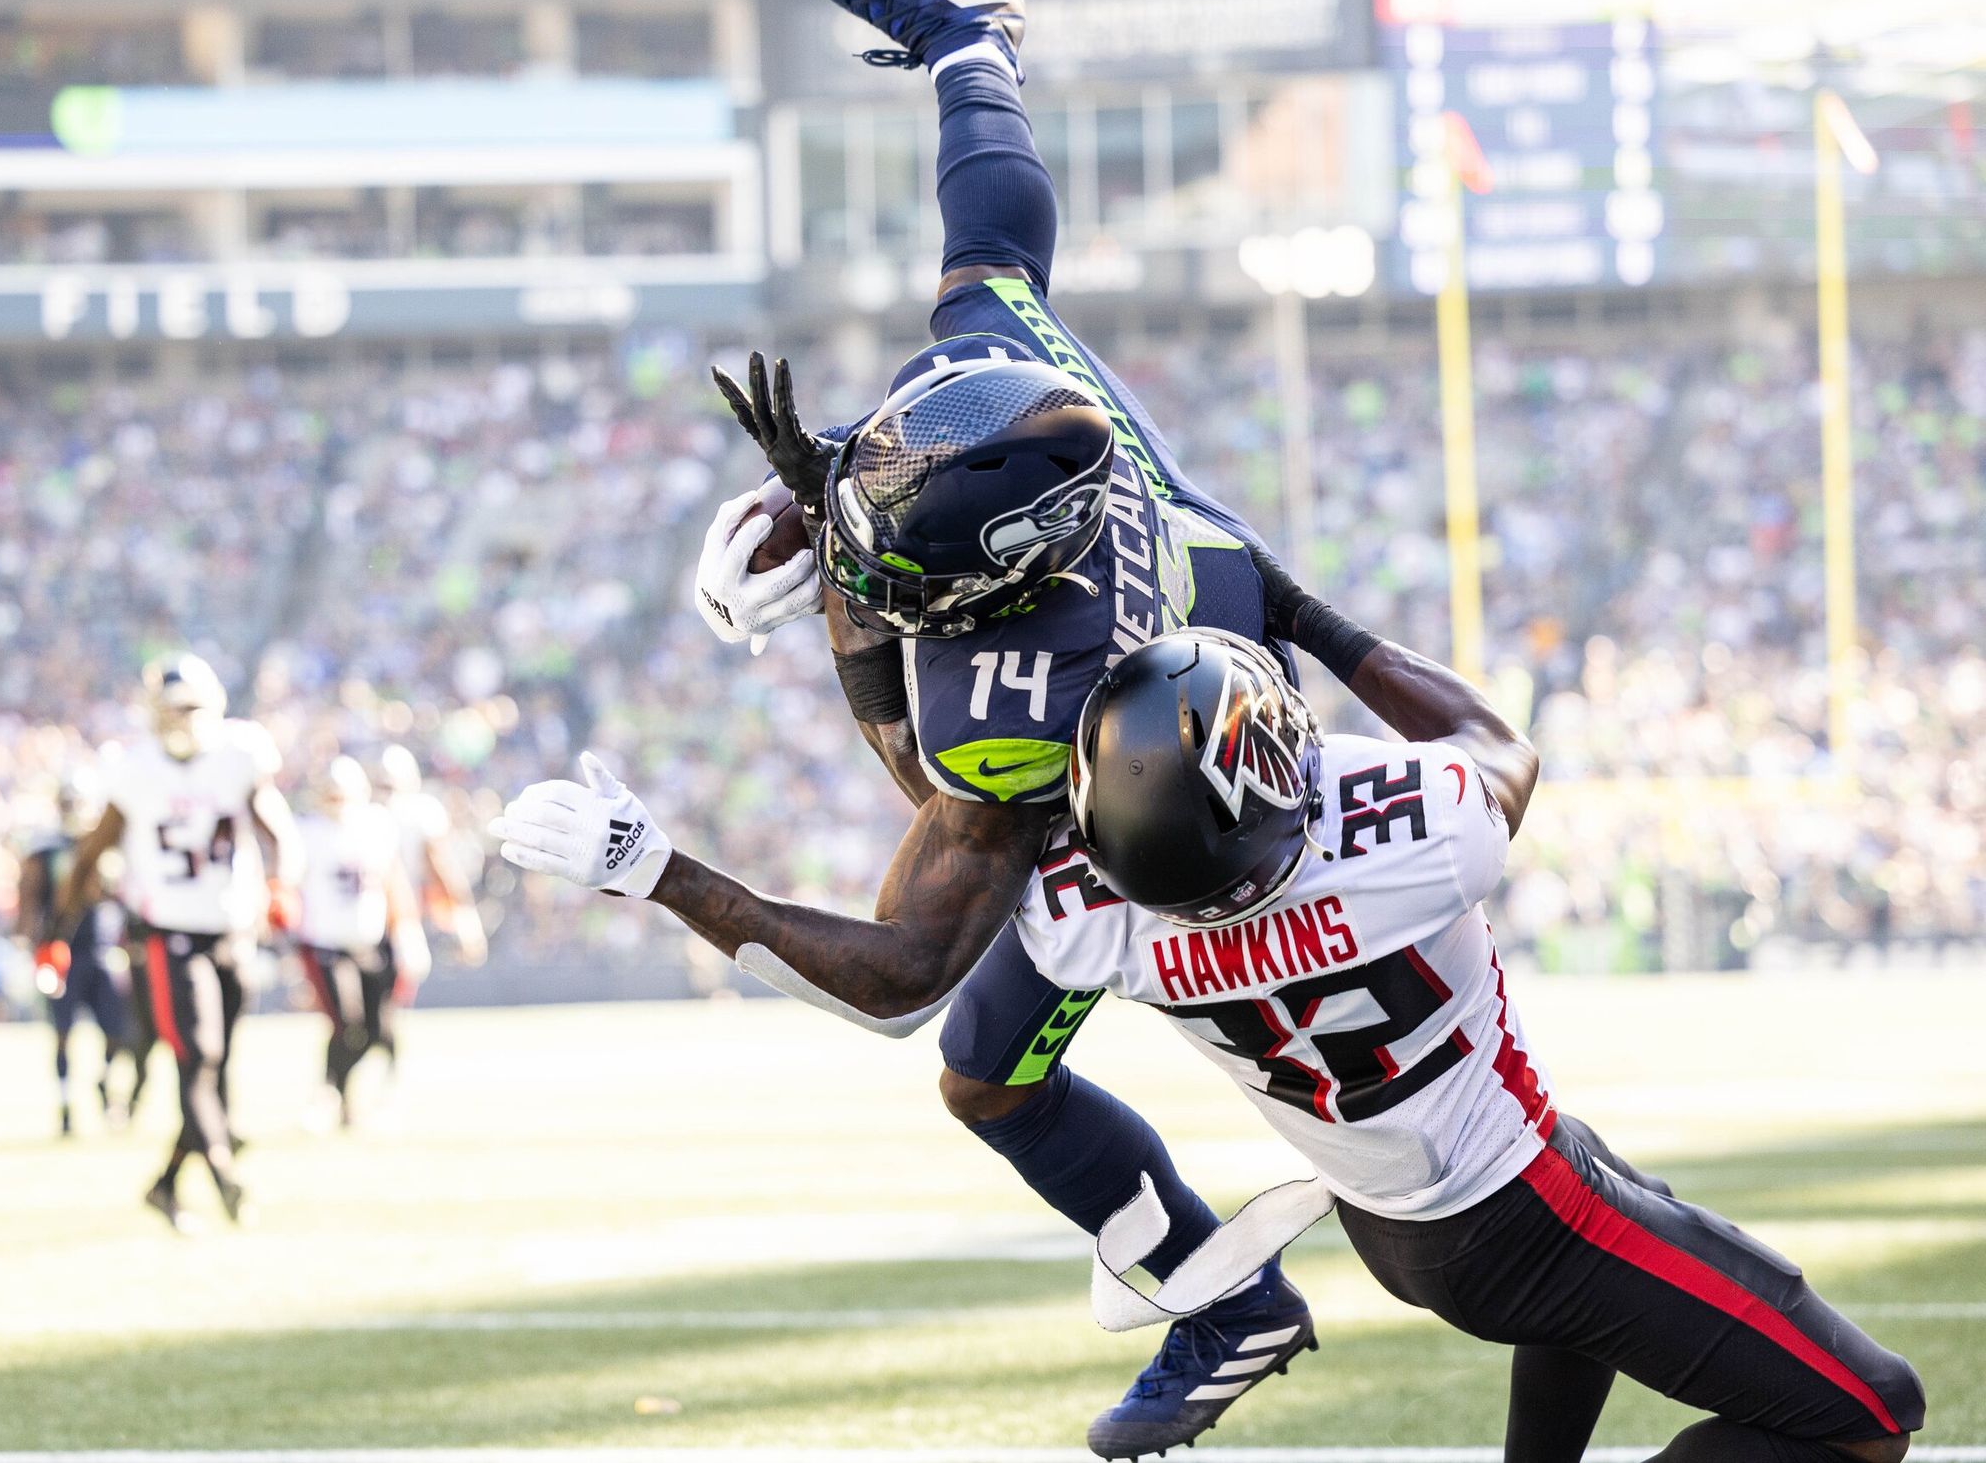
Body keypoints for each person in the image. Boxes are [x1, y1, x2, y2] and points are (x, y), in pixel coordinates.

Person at [491, 596, 1926, 1461]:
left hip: (1396, 1215)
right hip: (1517, 1207)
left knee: (1591, 1279)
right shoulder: (1414, 835)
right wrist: (1303, 614)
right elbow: (1500, 744)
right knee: (1874, 1411)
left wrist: (668, 870)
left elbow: (913, 933)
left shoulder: (1093, 910)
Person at [683, 0, 1313, 1445]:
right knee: (981, 270)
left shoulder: (1028, 708)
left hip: (1191, 797)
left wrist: (849, 618)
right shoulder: (1009, 386)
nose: (891, 593)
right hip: (1236, 614)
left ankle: (1236, 1297)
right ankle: (977, 41)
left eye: (914, 592)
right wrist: (837, 480)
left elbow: (925, 895)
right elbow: (983, 291)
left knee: (988, 1073)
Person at [61, 654, 302, 1230]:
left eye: (194, 707)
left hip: (231, 931)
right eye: (174, 708)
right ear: (153, 712)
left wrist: (281, 885)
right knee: (199, 1058)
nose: (184, 719)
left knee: (215, 1067)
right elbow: (92, 852)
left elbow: (280, 833)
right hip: (166, 937)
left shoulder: (238, 756)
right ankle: (225, 1176)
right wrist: (61, 928)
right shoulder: (135, 769)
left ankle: (166, 1185)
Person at [297, 756, 431, 1129]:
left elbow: (392, 880)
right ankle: (331, 1096)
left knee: (375, 1030)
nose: (337, 803)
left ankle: (337, 1096)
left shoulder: (376, 825)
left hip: (369, 942)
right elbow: (289, 890)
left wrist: (407, 929)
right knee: (345, 1022)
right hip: (324, 943)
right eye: (331, 795)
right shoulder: (306, 832)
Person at [17, 778, 144, 1136]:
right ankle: (66, 1108)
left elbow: (122, 895)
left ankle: (103, 1083)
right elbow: (30, 897)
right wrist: (33, 943)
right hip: (61, 951)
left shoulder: (107, 845)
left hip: (103, 950)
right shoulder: (47, 849)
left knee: (119, 1032)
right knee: (61, 1033)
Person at [374, 744, 485, 1077]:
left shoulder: (413, 813)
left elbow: (441, 869)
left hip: (398, 918)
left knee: (385, 1005)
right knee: (377, 1007)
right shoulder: (373, 815)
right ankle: (383, 1071)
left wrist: (464, 918)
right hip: (372, 920)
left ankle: (386, 1071)